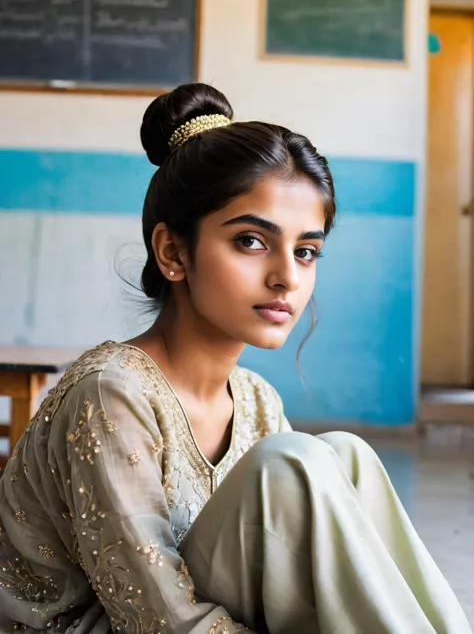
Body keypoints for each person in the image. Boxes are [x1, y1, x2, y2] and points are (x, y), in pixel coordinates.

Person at [0, 83, 470, 634]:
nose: (287, 277)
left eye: (306, 251)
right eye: (251, 241)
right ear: (173, 251)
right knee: (291, 464)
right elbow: (157, 619)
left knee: (344, 455)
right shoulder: (111, 393)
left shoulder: (254, 400)